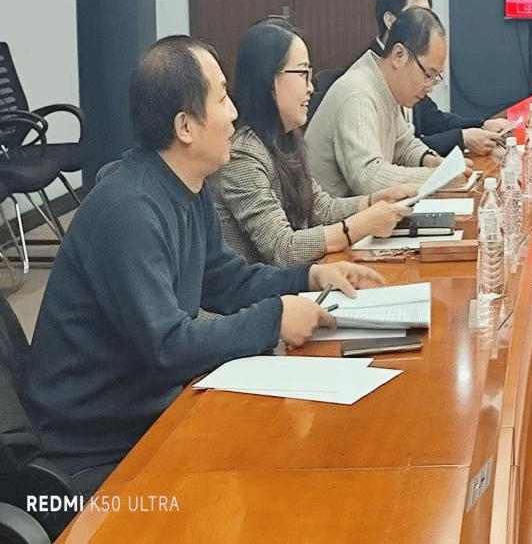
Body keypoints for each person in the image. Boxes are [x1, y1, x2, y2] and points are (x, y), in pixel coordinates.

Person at [21, 36, 383, 495]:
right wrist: (274, 318)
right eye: (222, 98)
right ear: (185, 127)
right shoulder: (129, 210)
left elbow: (225, 281)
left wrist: (308, 277)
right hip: (97, 450)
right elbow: (168, 346)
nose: (234, 114)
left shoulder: (186, 188)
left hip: (150, 412)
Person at [210, 18, 416, 265]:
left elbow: (321, 209)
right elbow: (283, 248)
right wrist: (360, 225)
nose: (310, 87)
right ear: (268, 78)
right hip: (262, 288)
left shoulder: (285, 138)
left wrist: (375, 201)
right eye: (302, 73)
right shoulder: (242, 155)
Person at [306, 6, 465, 197]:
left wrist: (430, 160)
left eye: (435, 78)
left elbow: (403, 145)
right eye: (428, 75)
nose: (429, 86)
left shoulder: (386, 88)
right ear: (398, 55)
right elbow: (369, 178)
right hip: (334, 214)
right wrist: (437, 176)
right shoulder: (358, 93)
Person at [353, 0, 512, 156]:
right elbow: (396, 152)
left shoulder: (414, 63)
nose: (425, 23)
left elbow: (433, 120)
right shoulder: (369, 77)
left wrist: (482, 125)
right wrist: (461, 138)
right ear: (390, 21)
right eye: (416, 14)